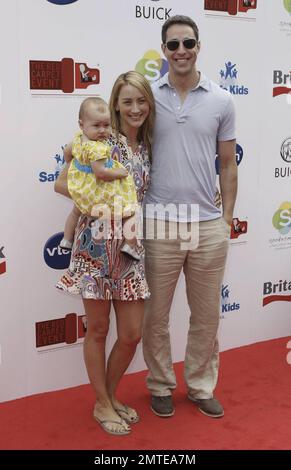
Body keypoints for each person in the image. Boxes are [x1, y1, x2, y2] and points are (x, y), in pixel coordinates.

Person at [142, 15, 237, 419]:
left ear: (199, 47)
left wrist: (227, 218)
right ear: (163, 50)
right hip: (158, 222)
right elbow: (119, 143)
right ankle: (160, 384)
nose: (181, 50)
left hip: (207, 225)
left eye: (188, 43)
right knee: (155, 314)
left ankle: (200, 385)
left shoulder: (221, 99)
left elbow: (229, 164)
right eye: (173, 44)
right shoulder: (146, 96)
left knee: (206, 315)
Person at [55, 71, 155, 435]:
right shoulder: (97, 138)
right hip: (95, 244)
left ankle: (108, 398)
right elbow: (61, 183)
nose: (135, 108)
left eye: (141, 100)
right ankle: (102, 403)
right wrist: (98, 206)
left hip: (130, 247)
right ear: (115, 104)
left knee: (130, 333)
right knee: (97, 329)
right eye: (127, 101)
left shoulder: (146, 146)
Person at [60, 96, 140, 261]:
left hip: (82, 188)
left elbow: (67, 152)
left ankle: (66, 239)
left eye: (106, 125)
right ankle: (130, 244)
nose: (102, 131)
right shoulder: (97, 148)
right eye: (96, 126)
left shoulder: (78, 140)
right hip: (98, 191)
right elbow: (101, 173)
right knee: (130, 211)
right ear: (82, 124)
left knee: (76, 210)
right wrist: (121, 173)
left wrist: (75, 164)